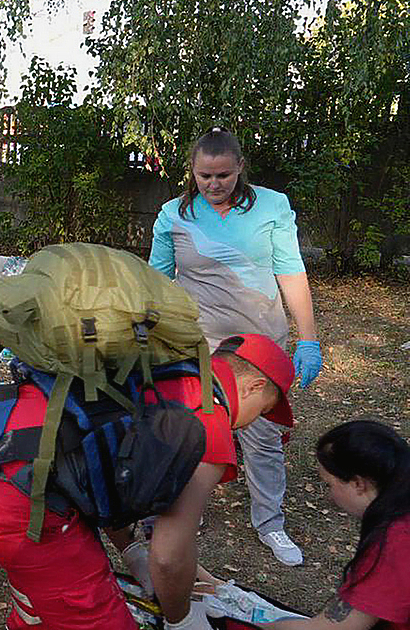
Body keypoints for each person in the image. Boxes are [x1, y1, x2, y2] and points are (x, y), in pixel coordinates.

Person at [0, 334, 296, 630]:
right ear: (253, 386)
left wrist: (132, 551)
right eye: (263, 411)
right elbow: (169, 555)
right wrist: (182, 619)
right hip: (16, 493)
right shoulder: (209, 422)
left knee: (42, 594)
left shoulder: (165, 370)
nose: (253, 423)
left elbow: (108, 463)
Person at [149, 127, 323, 566]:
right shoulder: (173, 215)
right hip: (199, 343)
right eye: (205, 175)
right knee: (193, 428)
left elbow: (291, 272)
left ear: (240, 168)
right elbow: (155, 281)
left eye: (223, 175)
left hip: (259, 345)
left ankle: (271, 523)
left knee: (263, 436)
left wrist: (308, 338)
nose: (213, 184)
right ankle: (184, 508)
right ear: (192, 170)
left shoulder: (272, 207)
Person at [257, 420, 410, 630]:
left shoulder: (395, 543)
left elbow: (329, 628)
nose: (329, 496)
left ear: (358, 484)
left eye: (330, 484)